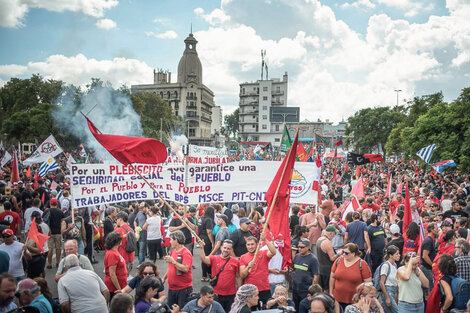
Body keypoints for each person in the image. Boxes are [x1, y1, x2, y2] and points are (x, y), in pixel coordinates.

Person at [199, 238, 239, 313]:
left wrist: (239, 290)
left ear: (231, 250)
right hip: (216, 294)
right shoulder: (214, 258)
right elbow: (203, 259)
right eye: (224, 247)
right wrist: (201, 248)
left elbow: (238, 277)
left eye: (228, 248)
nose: (226, 250)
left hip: (231, 294)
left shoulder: (235, 261)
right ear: (221, 248)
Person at [330, 243, 372, 309]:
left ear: (353, 254)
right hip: (337, 298)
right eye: (343, 252)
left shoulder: (362, 264)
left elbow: (368, 283)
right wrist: (330, 292)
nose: (343, 254)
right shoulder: (338, 260)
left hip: (354, 301)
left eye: (346, 253)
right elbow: (332, 277)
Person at [240, 232, 276, 308]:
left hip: (264, 288)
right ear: (246, 246)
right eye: (248, 244)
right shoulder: (243, 257)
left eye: (252, 244)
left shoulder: (263, 253)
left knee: (266, 309)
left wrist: (265, 240)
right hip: (250, 291)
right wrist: (248, 267)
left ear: (257, 245)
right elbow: (242, 275)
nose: (250, 246)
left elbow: (273, 252)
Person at [163, 230, 193, 308]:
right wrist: (164, 278)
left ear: (176, 240)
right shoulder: (173, 251)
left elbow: (186, 268)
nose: (169, 241)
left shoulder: (186, 253)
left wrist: (173, 262)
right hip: (172, 288)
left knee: (182, 310)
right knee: (171, 310)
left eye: (171, 239)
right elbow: (170, 268)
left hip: (183, 289)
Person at [292, 238, 320, 311]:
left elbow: (316, 276)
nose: (299, 249)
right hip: (295, 289)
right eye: (299, 247)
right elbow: (294, 270)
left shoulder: (313, 259)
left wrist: (312, 292)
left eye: (302, 247)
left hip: (305, 290)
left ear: (308, 247)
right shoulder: (297, 257)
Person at [317, 226, 342, 292]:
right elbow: (332, 258)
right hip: (327, 270)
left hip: (320, 268)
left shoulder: (319, 239)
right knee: (327, 291)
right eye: (334, 234)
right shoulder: (327, 242)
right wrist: (339, 253)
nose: (334, 236)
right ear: (331, 233)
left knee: (320, 290)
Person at [104, 232, 128, 300]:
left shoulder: (114, 252)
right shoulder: (112, 254)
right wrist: (119, 289)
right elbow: (112, 274)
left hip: (119, 284)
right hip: (114, 287)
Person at [379, 245, 400, 313]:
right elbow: (382, 282)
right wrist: (387, 297)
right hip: (388, 290)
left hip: (394, 290)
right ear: (391, 255)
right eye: (396, 254)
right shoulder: (386, 266)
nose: (399, 255)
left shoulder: (394, 265)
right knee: (397, 311)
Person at [45, 198, 64, 269]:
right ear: (57, 204)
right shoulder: (60, 212)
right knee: (58, 248)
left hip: (49, 232)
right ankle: (57, 262)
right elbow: (62, 221)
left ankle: (49, 264)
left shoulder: (47, 211)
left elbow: (44, 221)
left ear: (50, 203)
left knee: (50, 248)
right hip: (58, 232)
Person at [420, 222, 438, 291]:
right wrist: (432, 265)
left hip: (427, 268)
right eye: (436, 229)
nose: (437, 230)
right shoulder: (428, 241)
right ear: (432, 230)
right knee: (431, 287)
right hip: (426, 268)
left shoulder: (431, 240)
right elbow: (425, 256)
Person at [198, 206, 215, 281]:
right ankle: (205, 275)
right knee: (206, 257)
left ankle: (205, 274)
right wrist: (212, 242)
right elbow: (209, 232)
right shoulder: (209, 219)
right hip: (206, 239)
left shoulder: (201, 218)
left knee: (203, 256)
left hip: (201, 237)